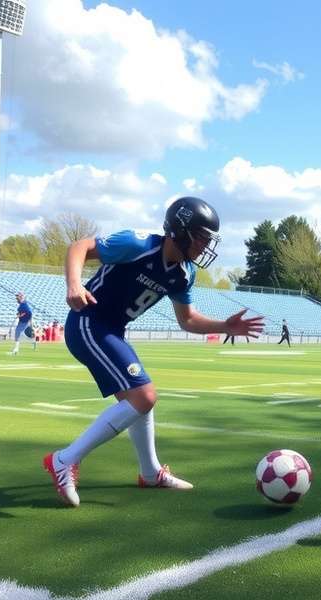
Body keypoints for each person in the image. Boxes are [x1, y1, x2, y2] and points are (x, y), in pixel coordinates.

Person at [43, 197, 264, 507]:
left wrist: (225, 326)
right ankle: (65, 460)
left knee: (139, 401)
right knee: (144, 396)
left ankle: (150, 474)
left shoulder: (184, 273)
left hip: (111, 330)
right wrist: (74, 284)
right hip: (88, 322)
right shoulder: (137, 243)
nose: (204, 246)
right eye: (201, 237)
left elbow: (187, 319)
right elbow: (80, 246)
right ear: (180, 230)